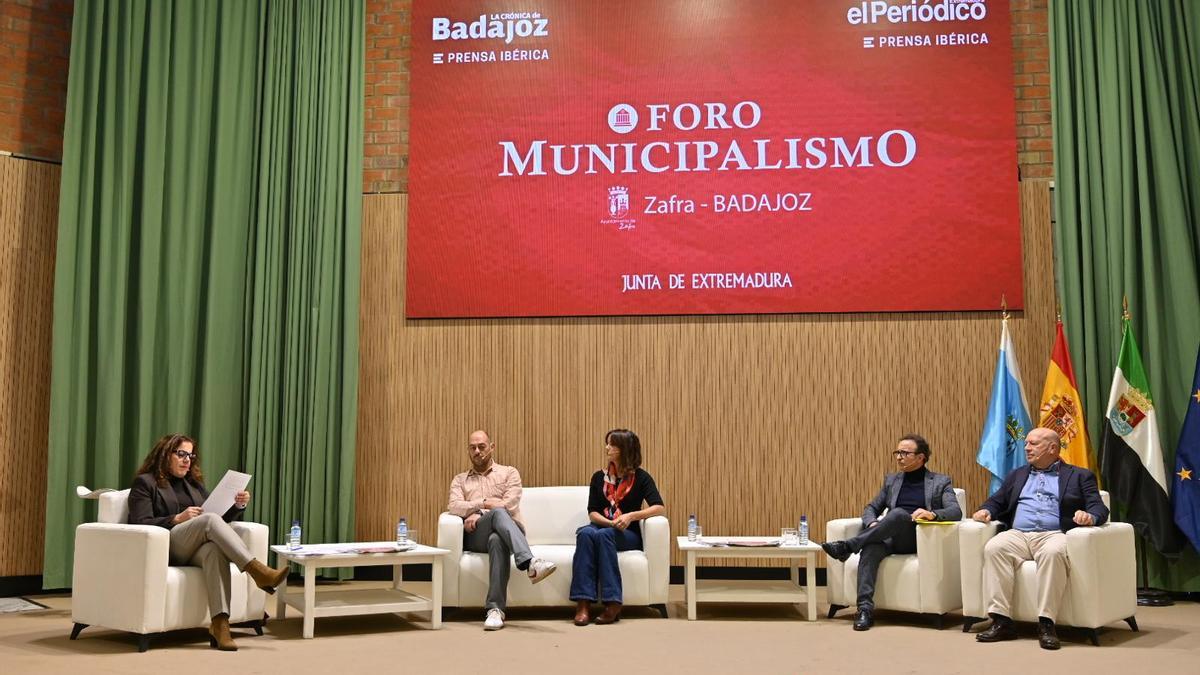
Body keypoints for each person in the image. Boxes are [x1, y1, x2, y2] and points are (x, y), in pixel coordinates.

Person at [127, 433, 289, 651]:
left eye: (190, 456)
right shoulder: (145, 482)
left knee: (214, 549)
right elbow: (139, 521)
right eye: (181, 454)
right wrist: (176, 518)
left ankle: (220, 625)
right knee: (209, 520)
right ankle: (258, 571)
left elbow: (217, 522)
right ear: (165, 454)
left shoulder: (193, 485)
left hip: (194, 548)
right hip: (166, 545)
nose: (187, 460)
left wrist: (237, 506)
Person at [971, 426, 1108, 650]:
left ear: (1053, 448)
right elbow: (997, 501)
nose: (1027, 447)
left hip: (1054, 533)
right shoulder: (1018, 474)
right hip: (1019, 534)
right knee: (994, 548)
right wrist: (985, 510)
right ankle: (1001, 620)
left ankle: (1046, 623)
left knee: (1052, 553)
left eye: (1034, 443)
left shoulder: (1080, 476)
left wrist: (1089, 517)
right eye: (1027, 443)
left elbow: (1099, 508)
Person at [820, 434, 962, 630]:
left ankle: (849, 546)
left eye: (904, 453)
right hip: (887, 537)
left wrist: (932, 514)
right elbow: (871, 508)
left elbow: (955, 511)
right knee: (871, 547)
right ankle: (864, 610)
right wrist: (871, 524)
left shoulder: (940, 482)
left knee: (898, 515)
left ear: (920, 457)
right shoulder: (892, 481)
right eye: (897, 452)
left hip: (916, 539)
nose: (898, 457)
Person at [447, 429, 557, 630]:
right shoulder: (460, 480)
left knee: (497, 539)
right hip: (475, 535)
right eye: (473, 448)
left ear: (492, 447)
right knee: (496, 514)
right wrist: (486, 504)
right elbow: (453, 505)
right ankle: (531, 563)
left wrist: (477, 511)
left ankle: (495, 610)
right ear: (468, 451)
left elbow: (509, 505)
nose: (477, 451)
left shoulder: (509, 472)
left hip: (507, 532)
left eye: (482, 446)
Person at [570, 428, 665, 626]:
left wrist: (631, 516)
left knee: (604, 535)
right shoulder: (599, 477)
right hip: (604, 526)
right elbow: (593, 512)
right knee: (585, 534)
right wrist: (610, 522)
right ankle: (583, 603)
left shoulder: (641, 477)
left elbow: (659, 507)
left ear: (623, 449)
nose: (607, 448)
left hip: (627, 533)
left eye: (611, 444)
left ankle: (613, 602)